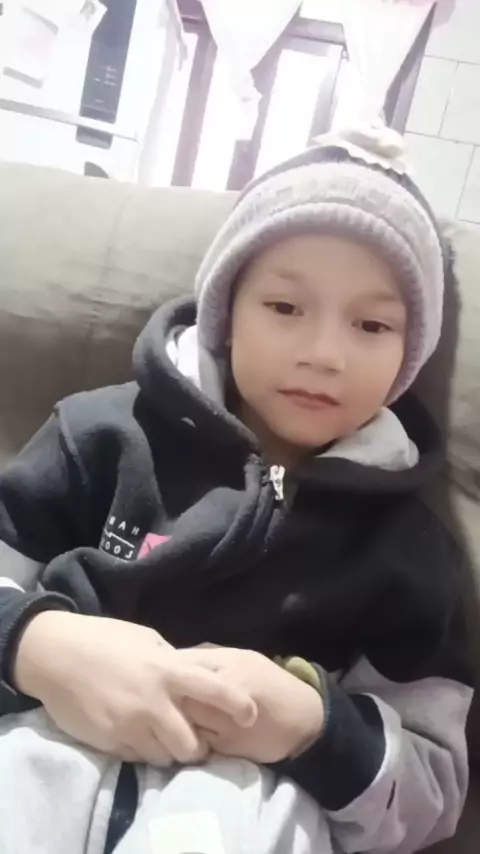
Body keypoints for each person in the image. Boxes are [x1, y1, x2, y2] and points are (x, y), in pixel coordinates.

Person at [0, 126, 473, 854]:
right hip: (41, 753)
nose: (324, 353)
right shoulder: (99, 434)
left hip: (250, 813)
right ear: (225, 313)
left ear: (408, 354)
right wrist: (35, 644)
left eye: (372, 323)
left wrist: (314, 727)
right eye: (284, 308)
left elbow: (433, 789)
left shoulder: (411, 553)